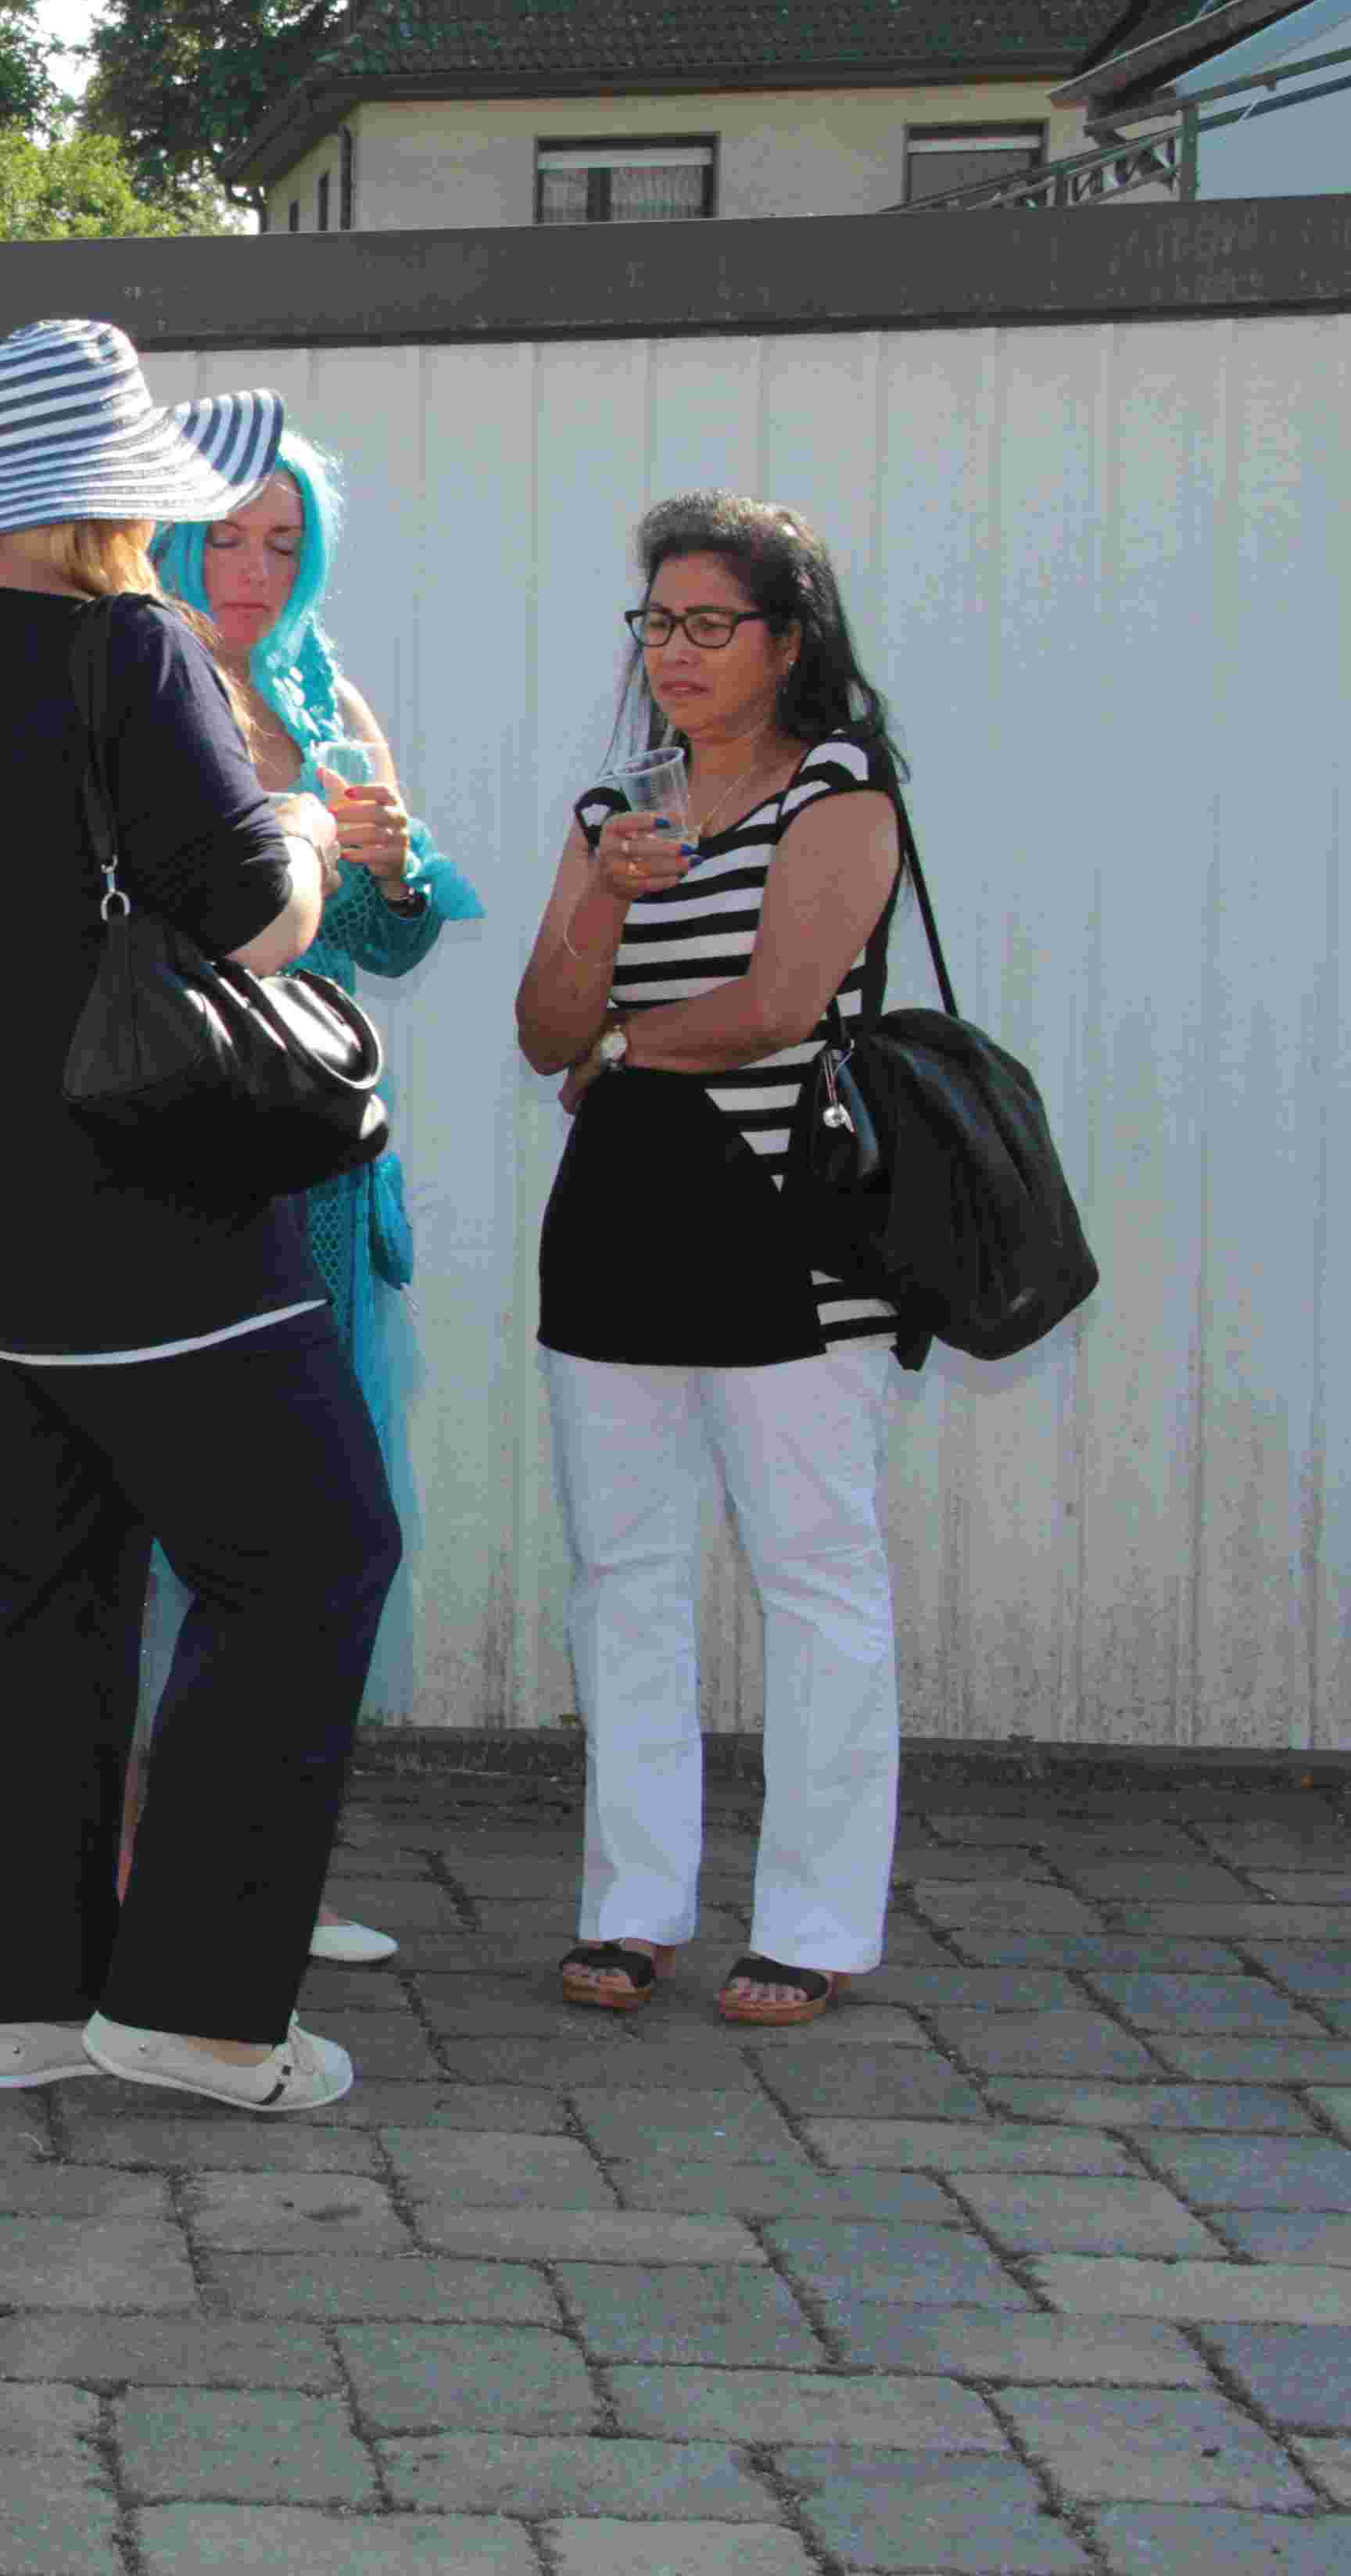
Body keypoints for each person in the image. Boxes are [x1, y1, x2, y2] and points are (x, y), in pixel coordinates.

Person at [0, 320, 395, 2116]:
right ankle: (203, 2014)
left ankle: (22, 2004)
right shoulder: (132, 644)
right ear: (122, 501)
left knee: (38, 1577)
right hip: (131, 1203)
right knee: (309, 1558)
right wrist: (306, 825)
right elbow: (250, 916)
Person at [511, 491, 906, 2031]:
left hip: (788, 1221)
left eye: (709, 625)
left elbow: (780, 1004)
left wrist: (618, 1047)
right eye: (657, 624)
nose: (674, 652)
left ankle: (814, 1923)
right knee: (624, 1578)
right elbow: (541, 1028)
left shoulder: (842, 790)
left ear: (787, 642)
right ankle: (633, 1909)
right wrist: (608, 900)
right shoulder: (616, 810)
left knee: (814, 1573)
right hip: (619, 1219)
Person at [112, 437, 489, 1964]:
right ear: (171, 541)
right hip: (171, 1154)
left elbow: (390, 945)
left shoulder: (327, 696)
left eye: (285, 542)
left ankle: (255, 1863)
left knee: (306, 1531)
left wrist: (391, 869)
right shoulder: (135, 680)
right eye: (227, 538)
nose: (256, 571)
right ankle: (124, 1865)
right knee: (155, 1530)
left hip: (317, 1160)